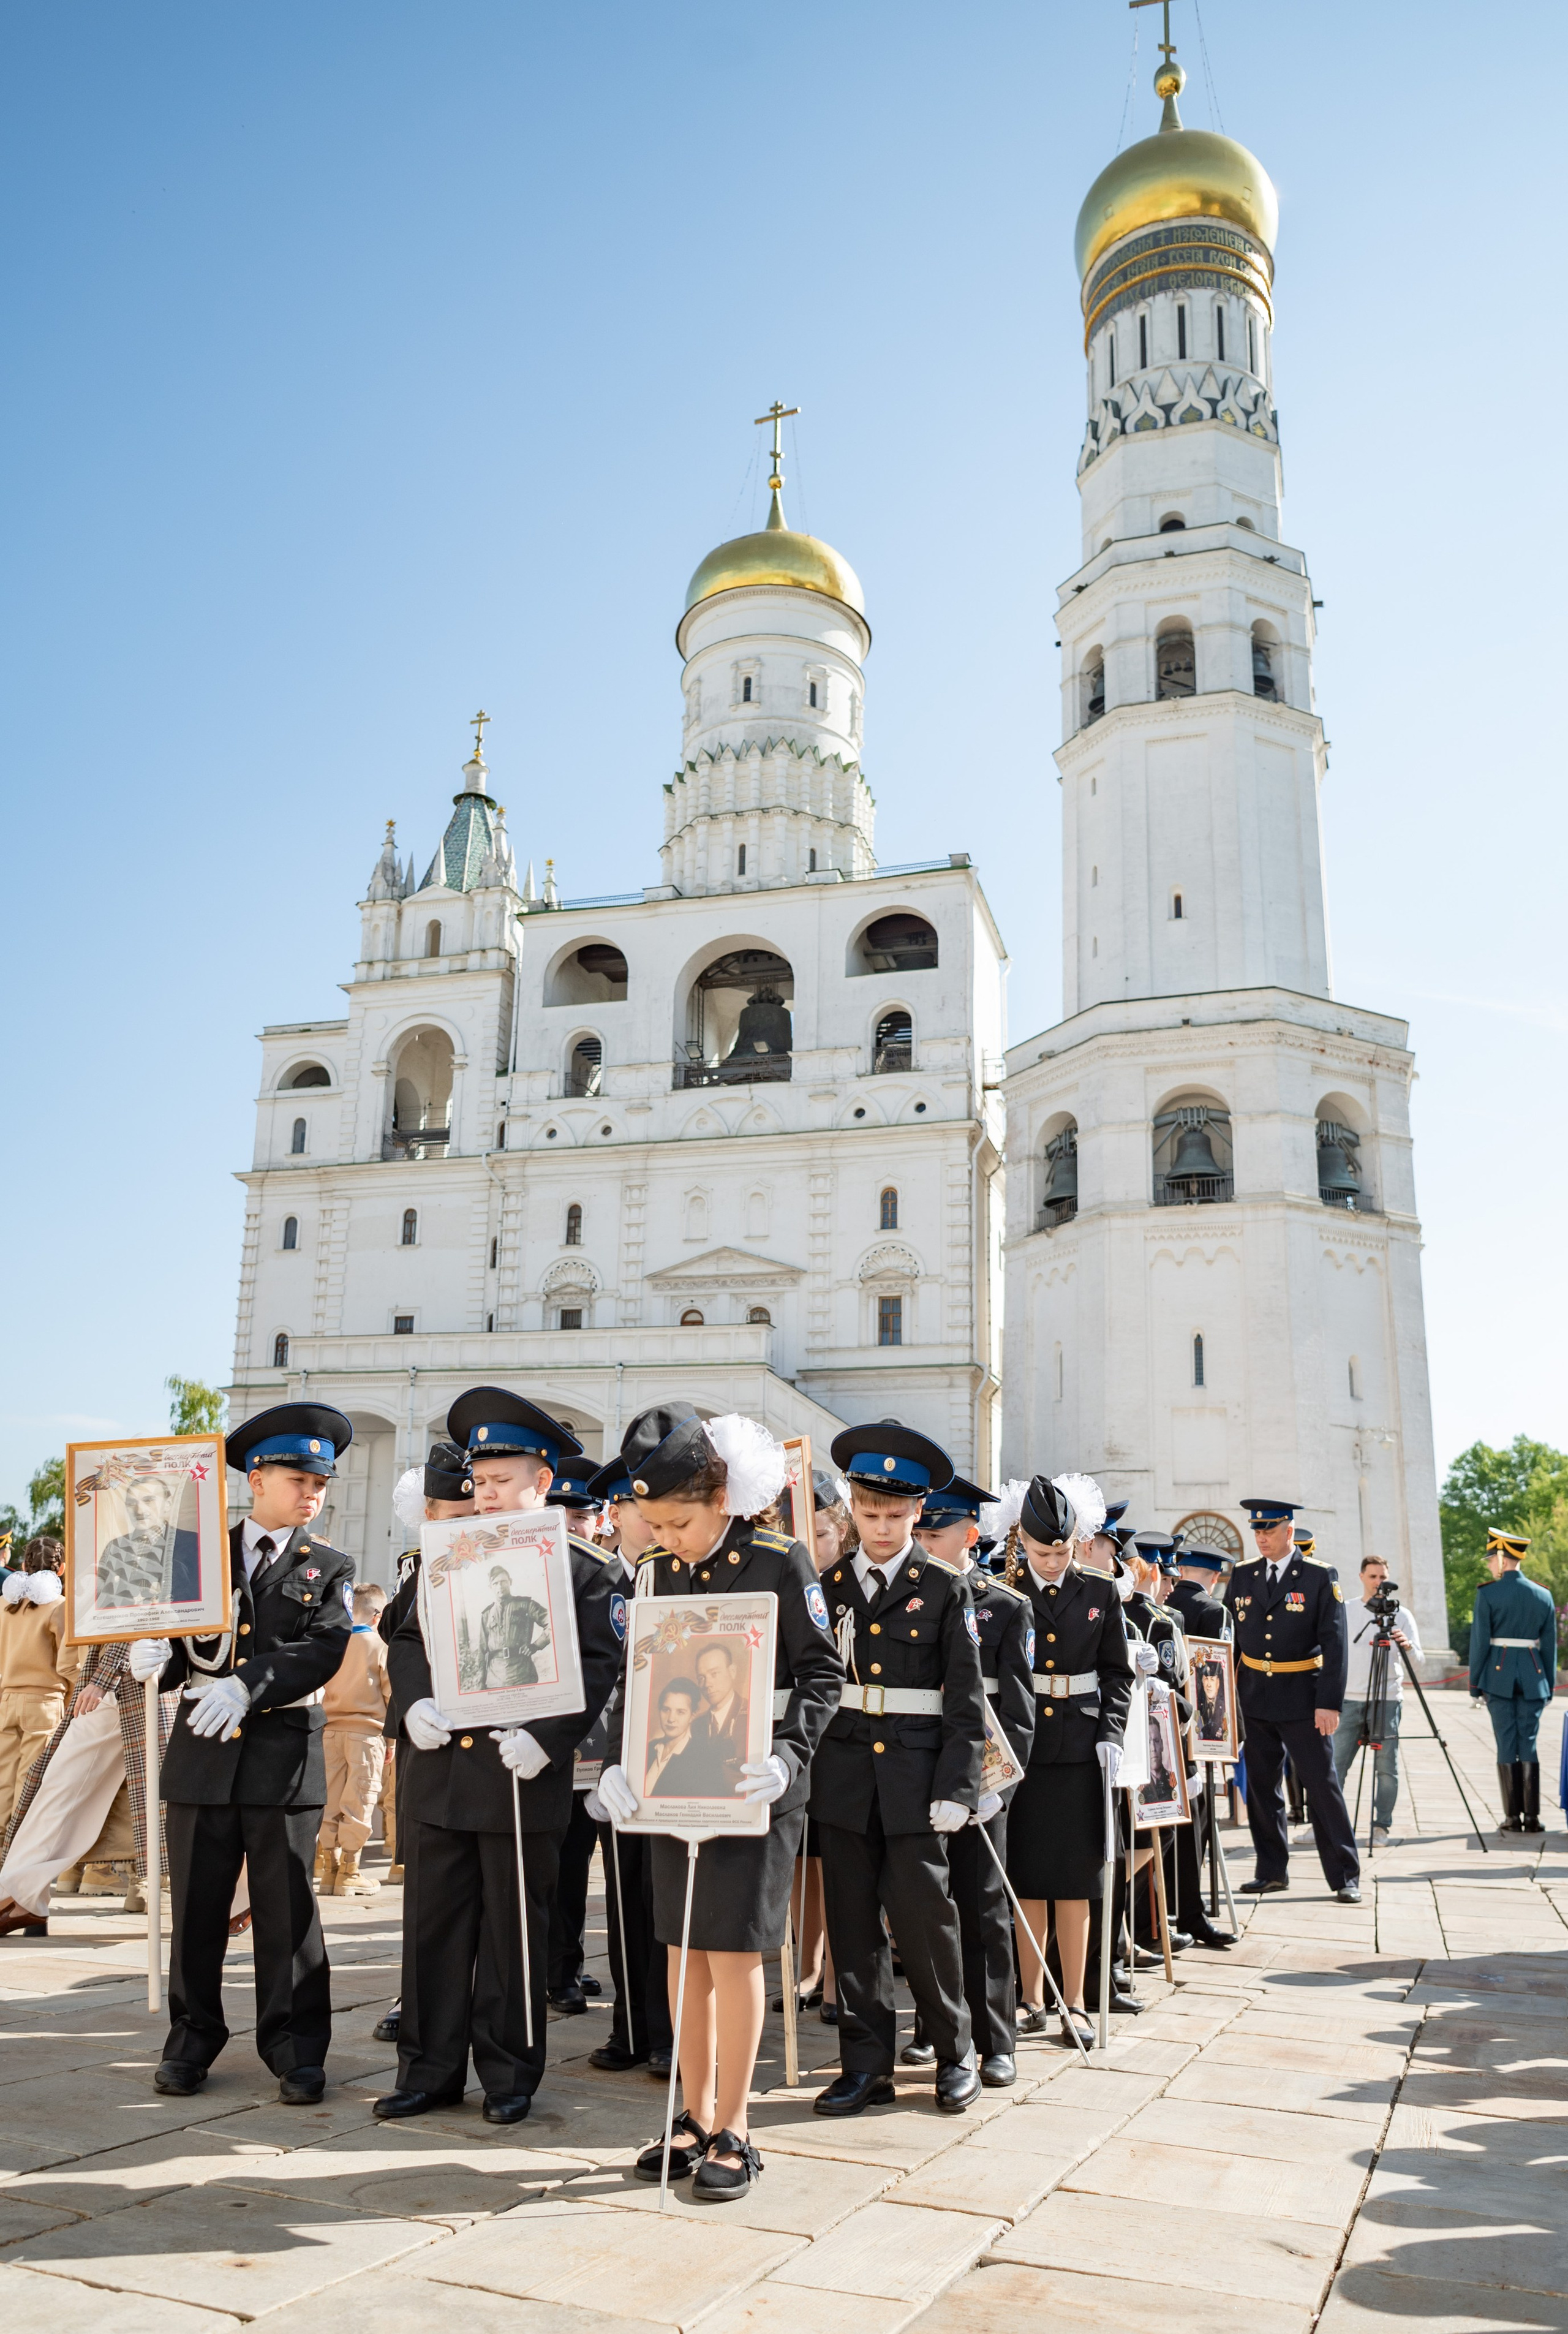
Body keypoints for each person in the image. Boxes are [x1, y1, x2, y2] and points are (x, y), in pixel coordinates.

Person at [592, 1402, 843, 2200]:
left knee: (734, 1952)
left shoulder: (779, 1559)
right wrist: (616, 1762)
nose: (669, 1537)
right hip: (677, 1784)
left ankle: (735, 2124)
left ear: (721, 1496)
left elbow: (823, 1674)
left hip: (753, 1785)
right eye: (656, 1524)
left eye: (682, 1520)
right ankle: (690, 2113)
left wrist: (788, 1754)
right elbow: (636, 1675)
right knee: (682, 1950)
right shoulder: (655, 1571)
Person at [379, 1389, 623, 2126]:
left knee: (513, 1931)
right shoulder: (443, 1557)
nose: (485, 1496)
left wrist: (548, 1739)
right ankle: (428, 2070)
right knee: (431, 1929)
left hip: (519, 1772)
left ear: (541, 1482)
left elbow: (603, 1662)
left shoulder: (585, 1569)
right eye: (478, 1483)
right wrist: (413, 1703)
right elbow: (406, 1638)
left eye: (500, 1481)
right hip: (439, 1769)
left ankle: (510, 2074)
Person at [126, 1401, 357, 2104]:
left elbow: (324, 1647)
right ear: (256, 1477)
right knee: (196, 1908)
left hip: (282, 1758)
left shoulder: (330, 1566)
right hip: (201, 1751)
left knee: (287, 1913)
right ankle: (191, 2040)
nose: (313, 1495)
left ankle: (295, 2050)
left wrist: (250, 1683)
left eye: (321, 1484)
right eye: (299, 1480)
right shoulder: (194, 1556)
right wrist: (153, 1660)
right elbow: (176, 1644)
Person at [807, 1422, 986, 2117]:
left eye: (894, 1515)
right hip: (846, 1780)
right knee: (852, 1933)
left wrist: (958, 1787)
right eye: (868, 1513)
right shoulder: (826, 1587)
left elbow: (966, 1700)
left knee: (924, 1927)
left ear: (917, 1513)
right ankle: (865, 2065)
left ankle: (953, 2051)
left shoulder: (943, 1588)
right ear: (851, 1506)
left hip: (917, 1785)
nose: (880, 1528)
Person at [900, 1473, 1034, 2087]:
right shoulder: (906, 1596)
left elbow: (1018, 1711)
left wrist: (996, 1791)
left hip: (981, 1780)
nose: (924, 1542)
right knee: (926, 1910)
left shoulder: (1004, 1606)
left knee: (983, 1908)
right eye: (920, 1531)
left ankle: (995, 2040)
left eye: (936, 1532)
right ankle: (933, 2027)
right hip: (920, 1772)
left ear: (970, 1535)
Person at [1002, 1476, 1134, 2047]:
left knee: (1077, 1881)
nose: (1053, 1563)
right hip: (1024, 1746)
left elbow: (1117, 1674)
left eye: (1061, 1551)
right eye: (1041, 1553)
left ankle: (1074, 2000)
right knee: (1028, 1877)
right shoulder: (1003, 1594)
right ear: (1021, 1545)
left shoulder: (1101, 1593)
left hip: (1081, 1748)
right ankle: (1030, 1997)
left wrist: (1111, 1732)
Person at [372, 1440, 473, 2048]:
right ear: (428, 1514)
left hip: (488, 1740)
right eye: (450, 1518)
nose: (462, 1528)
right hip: (427, 1740)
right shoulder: (417, 1564)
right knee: (423, 1883)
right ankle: (414, 1993)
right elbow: (395, 1630)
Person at [581, 1452, 674, 2077]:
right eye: (637, 1507)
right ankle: (631, 2025)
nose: (649, 1519)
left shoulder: (681, 1576)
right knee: (620, 1899)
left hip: (668, 1754)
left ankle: (668, 2031)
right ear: (617, 1513)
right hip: (608, 1761)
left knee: (664, 1898)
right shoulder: (592, 1581)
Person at [1225, 1498, 1360, 1903]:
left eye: (1269, 1530)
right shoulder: (1244, 1574)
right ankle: (1271, 1872)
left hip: (1304, 1697)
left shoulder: (1319, 1576)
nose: (1261, 1537)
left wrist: (1330, 1703)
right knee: (1262, 1789)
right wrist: (1228, 1699)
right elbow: (1231, 1638)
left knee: (1321, 1787)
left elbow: (1336, 1644)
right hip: (1255, 1697)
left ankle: (1345, 1875)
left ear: (1289, 1530)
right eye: (1257, 1530)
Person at [1329, 1555, 1421, 1846]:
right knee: (1336, 1766)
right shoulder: (1345, 1610)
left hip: (1387, 1699)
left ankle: (1381, 1827)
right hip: (1349, 1700)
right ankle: (1331, 1826)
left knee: (1386, 1768)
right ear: (1361, 1577)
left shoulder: (1402, 1615)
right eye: (1373, 1577)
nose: (1378, 1583)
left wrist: (1406, 1645)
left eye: (1383, 1578)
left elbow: (1419, 1663)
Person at [1469, 1526, 1556, 1835]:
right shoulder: (1543, 1593)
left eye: (1492, 1559)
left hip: (1499, 1676)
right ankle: (1532, 1817)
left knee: (1506, 1742)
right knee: (1528, 1744)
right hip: (1535, 1676)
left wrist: (1475, 1684)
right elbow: (1550, 1646)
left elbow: (1480, 1643)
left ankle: (1512, 1818)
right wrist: (1547, 1685)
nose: (1490, 1565)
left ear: (1503, 1558)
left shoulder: (1488, 1593)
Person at [0, 1538, 82, 1836]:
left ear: (24, 1566)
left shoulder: (4, 1604)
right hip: (45, 1702)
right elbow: (67, 1665)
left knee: (3, 1776)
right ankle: (16, 1848)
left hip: (7, 1699)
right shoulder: (59, 1606)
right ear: (60, 1569)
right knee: (31, 1778)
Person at [317, 1582, 391, 1895]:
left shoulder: (333, 1642)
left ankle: (330, 1868)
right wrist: (392, 1740)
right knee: (360, 1800)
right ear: (378, 1615)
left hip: (329, 1730)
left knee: (331, 1800)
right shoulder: (379, 1645)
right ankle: (350, 1869)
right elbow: (390, 1692)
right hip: (365, 1732)